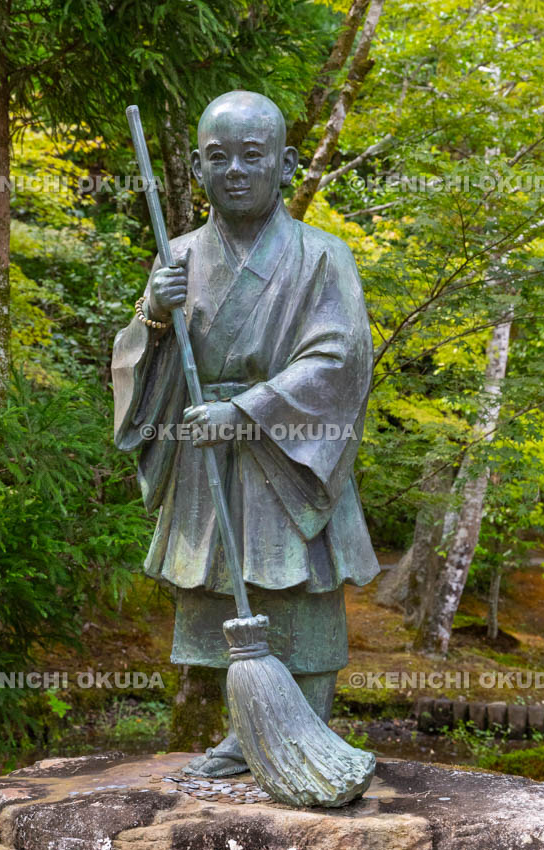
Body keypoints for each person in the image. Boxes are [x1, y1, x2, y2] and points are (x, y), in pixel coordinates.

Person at [112, 90, 379, 778]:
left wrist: (248, 413)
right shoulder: (177, 257)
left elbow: (340, 358)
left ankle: (308, 726)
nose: (234, 170)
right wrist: (154, 317)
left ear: (285, 164)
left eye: (251, 156)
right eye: (217, 157)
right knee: (223, 594)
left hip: (287, 449)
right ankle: (248, 731)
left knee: (300, 588)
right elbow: (140, 364)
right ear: (197, 167)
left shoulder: (322, 257)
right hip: (207, 453)